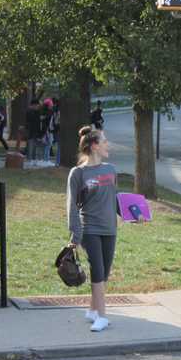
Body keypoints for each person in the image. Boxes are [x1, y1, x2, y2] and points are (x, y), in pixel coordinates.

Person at [67, 126, 118, 332]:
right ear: (95, 146)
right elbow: (71, 206)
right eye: (104, 141)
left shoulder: (110, 170)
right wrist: (75, 235)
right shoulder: (78, 173)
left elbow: (115, 199)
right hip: (90, 228)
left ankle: (91, 310)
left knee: (104, 273)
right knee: (97, 270)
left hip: (109, 228)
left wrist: (134, 215)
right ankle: (103, 316)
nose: (108, 145)